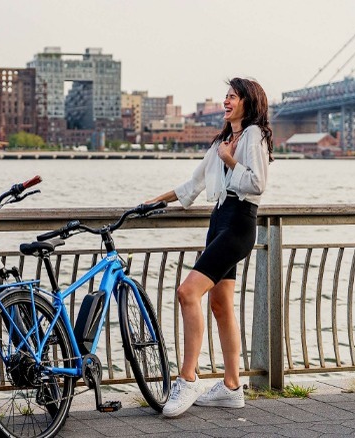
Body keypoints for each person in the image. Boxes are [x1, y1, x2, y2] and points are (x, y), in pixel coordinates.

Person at [147, 78, 273, 417]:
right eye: (226, 96)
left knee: (188, 292)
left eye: (233, 96)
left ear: (248, 102)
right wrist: (152, 202)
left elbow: (258, 184)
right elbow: (192, 184)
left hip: (239, 222)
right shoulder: (222, 140)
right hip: (218, 221)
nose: (226, 101)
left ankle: (188, 379)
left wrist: (230, 160)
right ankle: (232, 387)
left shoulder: (253, 136)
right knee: (220, 304)